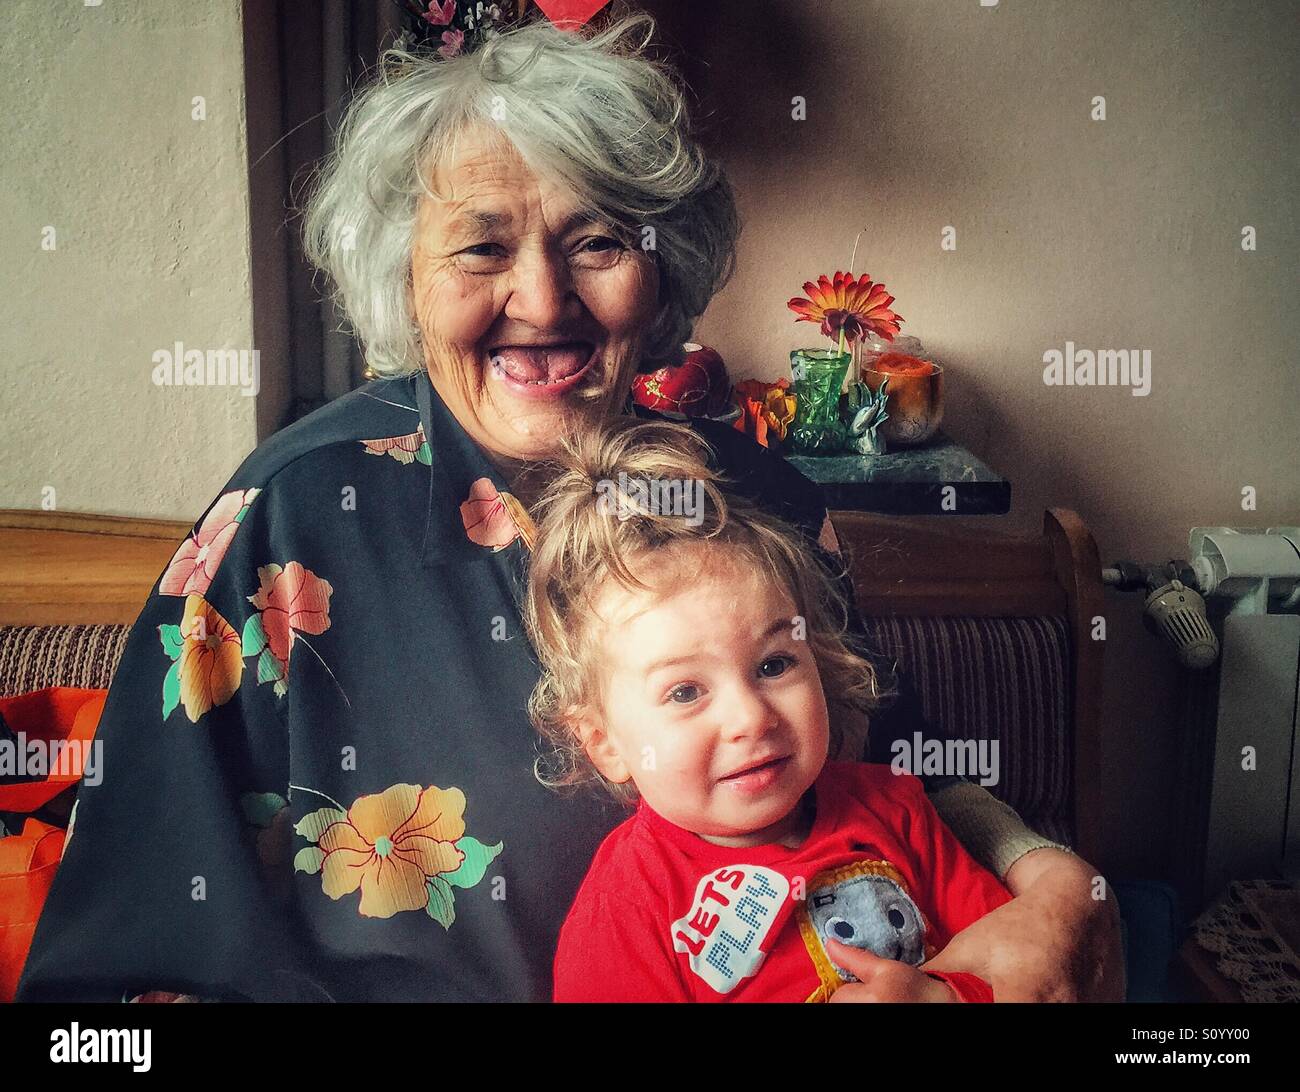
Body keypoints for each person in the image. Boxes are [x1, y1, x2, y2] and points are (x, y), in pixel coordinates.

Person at [18, 12, 1120, 1003]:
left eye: (596, 241)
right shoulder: (290, 518)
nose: (541, 301)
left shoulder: (758, 498)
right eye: (481, 247)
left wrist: (1053, 884)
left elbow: (889, 785)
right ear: (403, 275)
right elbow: (127, 961)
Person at [526, 418, 1012, 1002]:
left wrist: (946, 998)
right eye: (685, 692)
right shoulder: (629, 905)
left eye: (774, 665)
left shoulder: (896, 810)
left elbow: (1016, 965)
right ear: (603, 742)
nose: (751, 719)